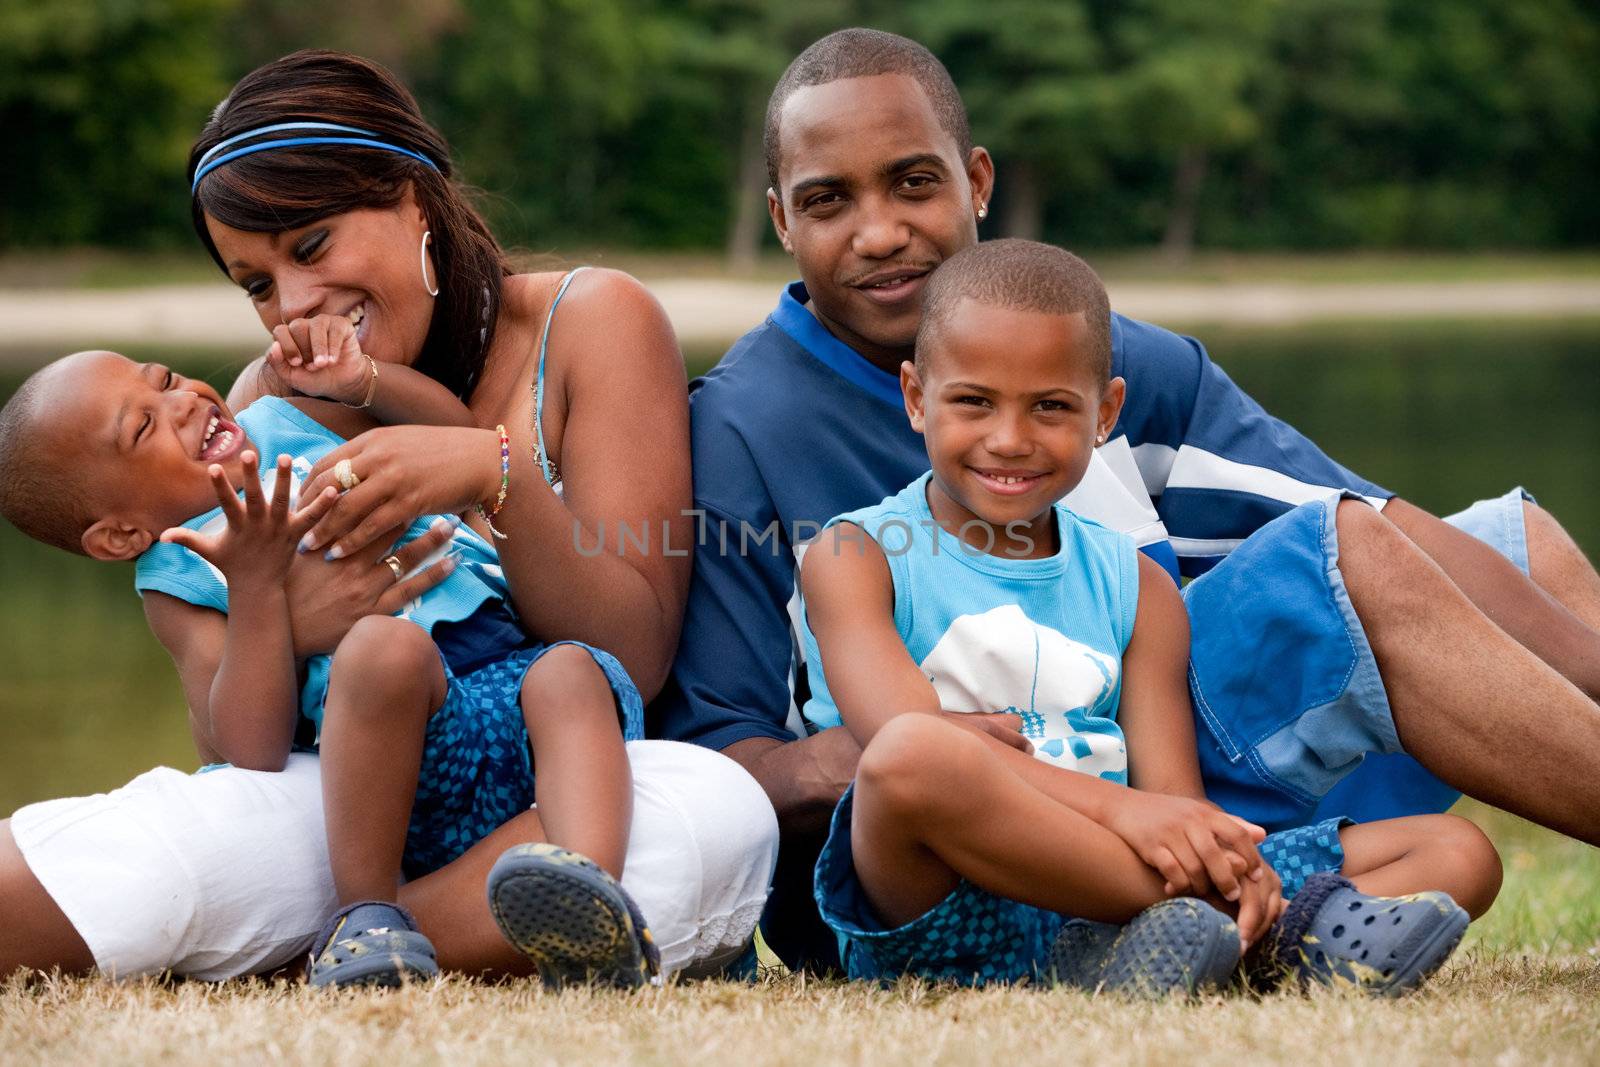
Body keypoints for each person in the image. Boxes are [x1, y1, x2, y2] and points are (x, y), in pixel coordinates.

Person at [651, 28, 1600, 970]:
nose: (880, 229)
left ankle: (1219, 922)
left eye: (913, 182)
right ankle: (1217, 920)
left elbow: (1380, 528)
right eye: (829, 200)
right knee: (1351, 553)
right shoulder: (740, 430)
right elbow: (713, 752)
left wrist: (1165, 808)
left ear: (976, 182)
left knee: (1518, 548)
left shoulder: (1095, 353)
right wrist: (872, 750)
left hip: (1149, 763)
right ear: (780, 218)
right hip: (936, 847)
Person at [0, 50, 777, 983]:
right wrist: (293, 621)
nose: (291, 304)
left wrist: (493, 472)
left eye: (312, 246)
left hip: (548, 783)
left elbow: (633, 655)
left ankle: (346, 945)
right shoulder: (267, 404)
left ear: (414, 199)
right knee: (205, 830)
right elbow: (243, 763)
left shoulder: (591, 321)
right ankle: (371, 925)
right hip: (360, 793)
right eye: (255, 283)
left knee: (718, 810)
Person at [800, 239, 1495, 996]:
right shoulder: (854, 553)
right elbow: (899, 738)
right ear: (915, 397)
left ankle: (1169, 941)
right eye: (973, 401)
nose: (1009, 438)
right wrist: (1129, 814)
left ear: (1105, 413)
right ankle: (1245, 930)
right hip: (946, 901)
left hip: (1115, 888)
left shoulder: (1136, 584)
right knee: (912, 756)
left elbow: (1173, 799)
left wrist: (1183, 832)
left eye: (1051, 407)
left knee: (1455, 851)